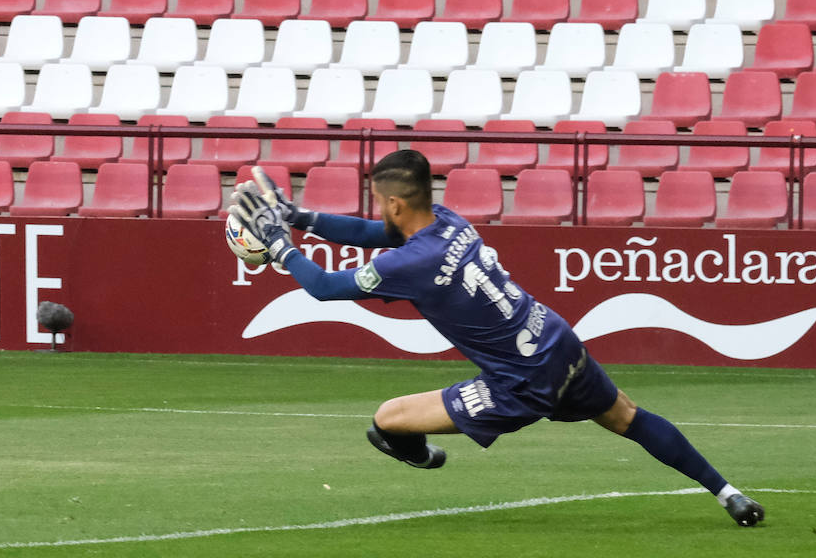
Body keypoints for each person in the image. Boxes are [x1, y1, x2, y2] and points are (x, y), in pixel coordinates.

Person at [228, 152, 764, 527]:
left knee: (387, 419)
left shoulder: (411, 263)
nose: (378, 212)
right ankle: (729, 494)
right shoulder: (447, 220)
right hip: (554, 338)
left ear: (393, 203)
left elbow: (322, 287)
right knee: (626, 416)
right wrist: (301, 218)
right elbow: (374, 234)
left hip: (520, 381)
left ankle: (420, 456)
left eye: (378, 201)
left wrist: (280, 247)